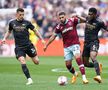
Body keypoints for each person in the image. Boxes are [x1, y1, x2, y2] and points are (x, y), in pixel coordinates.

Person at [1, 8, 45, 85]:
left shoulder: (27, 22)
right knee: (22, 60)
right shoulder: (12, 23)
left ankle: (31, 56)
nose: (22, 16)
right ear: (17, 14)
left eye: (23, 14)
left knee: (36, 62)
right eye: (20, 14)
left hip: (28, 45)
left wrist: (41, 39)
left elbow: (35, 30)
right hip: (19, 47)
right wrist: (4, 38)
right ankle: (29, 79)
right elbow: (9, 31)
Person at [44, 11, 88, 84]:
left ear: (65, 16)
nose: (61, 19)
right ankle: (75, 74)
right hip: (66, 47)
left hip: (75, 44)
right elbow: (53, 36)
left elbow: (85, 20)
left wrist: (78, 16)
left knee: (78, 59)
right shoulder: (58, 27)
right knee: (68, 65)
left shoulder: (72, 20)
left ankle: (84, 78)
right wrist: (46, 45)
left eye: (62, 17)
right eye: (60, 18)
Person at [82, 7, 108, 83]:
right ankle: (97, 65)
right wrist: (77, 16)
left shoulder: (100, 22)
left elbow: (106, 29)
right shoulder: (87, 18)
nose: (89, 15)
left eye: (91, 14)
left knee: (93, 56)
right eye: (88, 13)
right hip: (86, 43)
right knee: (85, 63)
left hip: (94, 42)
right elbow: (83, 19)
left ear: (95, 14)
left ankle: (98, 76)